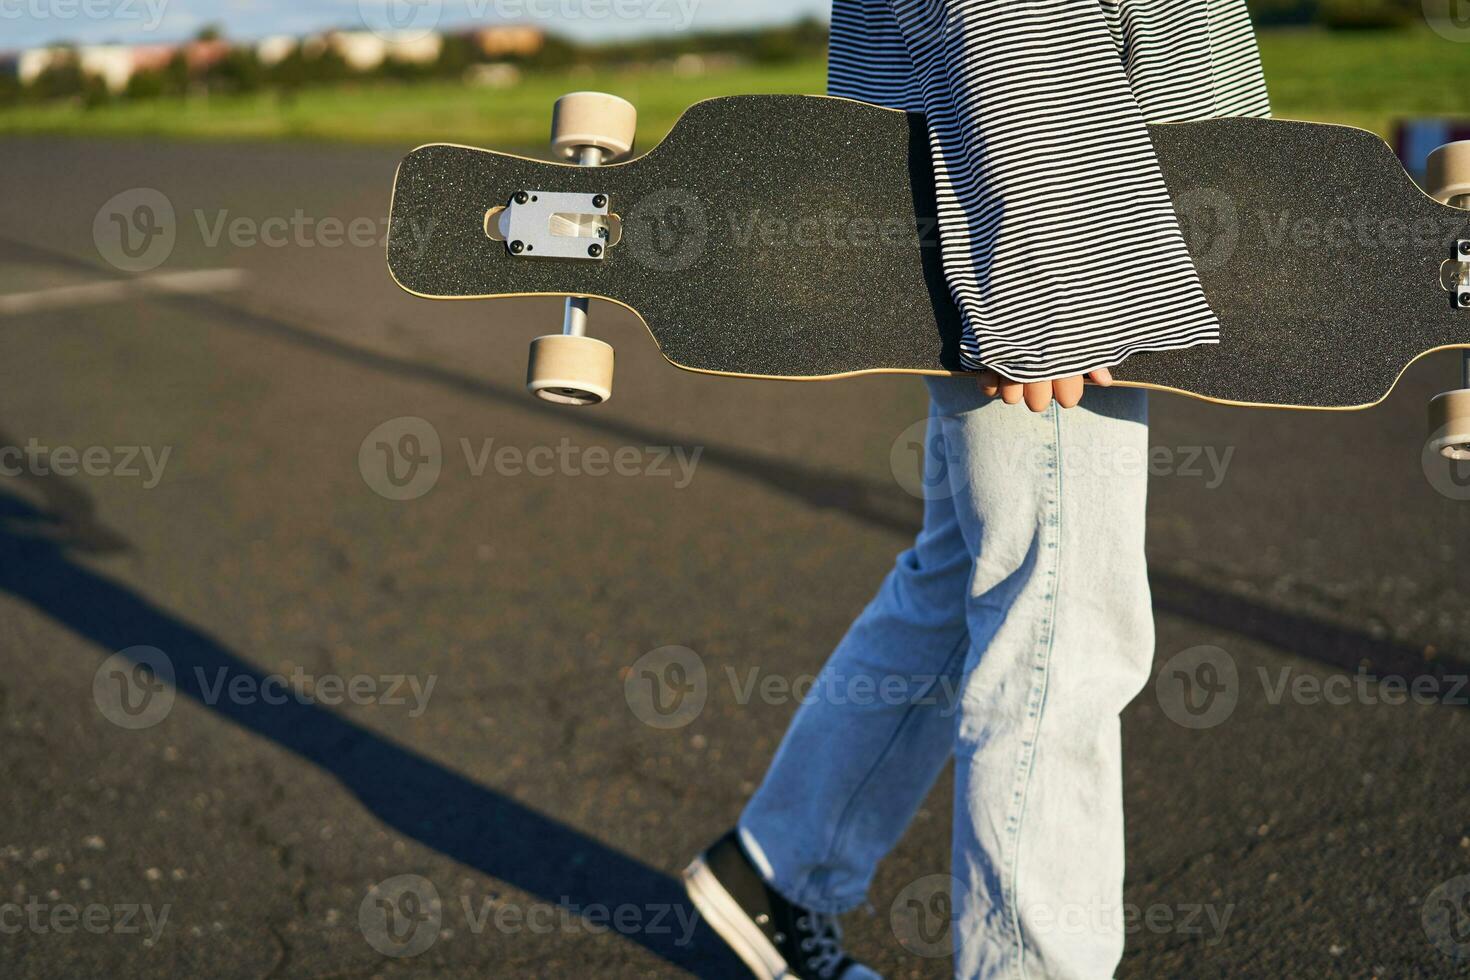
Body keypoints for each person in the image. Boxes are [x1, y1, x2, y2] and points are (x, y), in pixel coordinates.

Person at [682, 1, 1270, 978]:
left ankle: (780, 866)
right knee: (1062, 626)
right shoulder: (1048, 255)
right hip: (1049, 220)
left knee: (977, 571)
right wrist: (1045, 275)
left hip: (1054, 208)